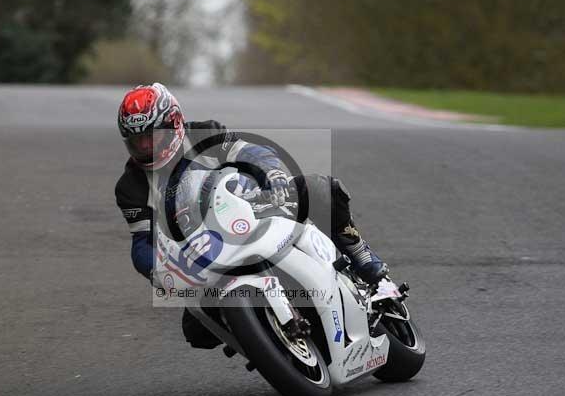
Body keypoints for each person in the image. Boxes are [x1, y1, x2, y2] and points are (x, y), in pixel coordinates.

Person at [114, 83, 388, 348]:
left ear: (174, 123)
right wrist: (157, 270)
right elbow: (142, 241)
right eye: (138, 142)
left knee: (319, 188)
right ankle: (261, 337)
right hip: (205, 252)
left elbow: (251, 152)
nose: (147, 147)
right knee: (197, 332)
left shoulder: (204, 134)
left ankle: (360, 255)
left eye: (153, 137)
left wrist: (273, 174)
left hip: (255, 206)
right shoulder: (130, 187)